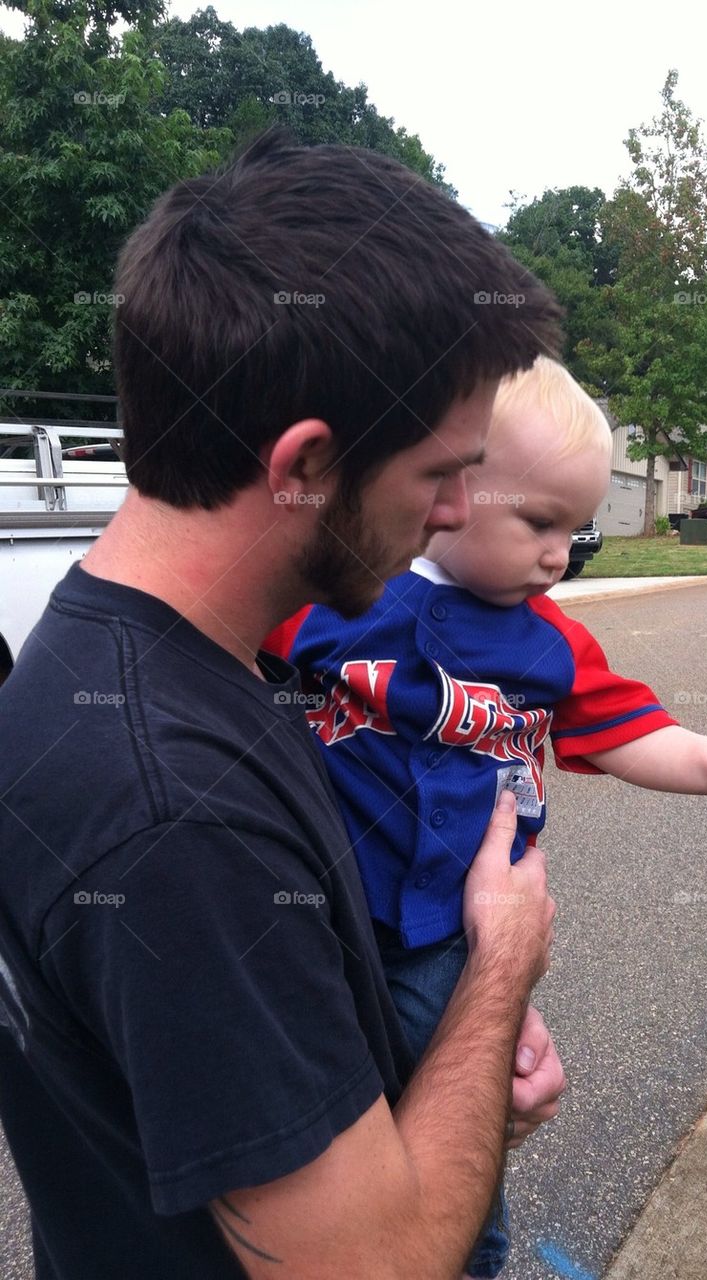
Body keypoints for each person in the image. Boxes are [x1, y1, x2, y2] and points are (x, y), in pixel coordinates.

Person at [0, 131, 570, 1280]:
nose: (457, 511)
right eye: (437, 472)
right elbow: (372, 1264)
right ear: (304, 462)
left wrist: (448, 1046)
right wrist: (500, 967)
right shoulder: (172, 810)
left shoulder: (152, 663)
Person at [272, 357, 707, 1274]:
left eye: (575, 528)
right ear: (449, 492)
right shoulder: (344, 600)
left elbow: (626, 729)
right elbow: (215, 646)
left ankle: (467, 1256)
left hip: (454, 936)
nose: (560, 554)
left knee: (460, 1118)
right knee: (331, 1127)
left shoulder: (551, 641)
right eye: (538, 523)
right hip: (319, 924)